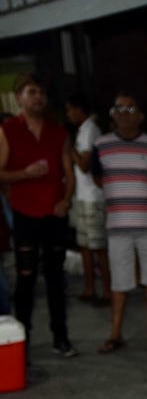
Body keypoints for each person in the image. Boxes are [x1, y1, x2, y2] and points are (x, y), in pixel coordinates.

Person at [0, 73, 77, 356]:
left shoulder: (58, 132)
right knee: (26, 278)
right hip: (24, 213)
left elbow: (69, 173)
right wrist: (25, 173)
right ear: (19, 98)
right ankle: (22, 342)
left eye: (41, 92)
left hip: (54, 214)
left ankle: (61, 337)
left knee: (56, 278)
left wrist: (66, 200)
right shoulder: (8, 130)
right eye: (31, 92)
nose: (38, 98)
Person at [91, 93, 147, 352]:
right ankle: (115, 333)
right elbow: (98, 179)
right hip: (117, 227)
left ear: (141, 116)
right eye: (119, 108)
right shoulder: (101, 145)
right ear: (112, 114)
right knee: (119, 281)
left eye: (130, 108)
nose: (124, 113)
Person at [65, 93, 111, 305]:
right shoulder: (83, 130)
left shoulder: (90, 130)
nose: (68, 115)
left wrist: (69, 148)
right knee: (85, 245)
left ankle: (107, 291)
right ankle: (89, 288)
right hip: (83, 196)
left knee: (98, 247)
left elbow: (84, 165)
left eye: (69, 110)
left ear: (79, 109)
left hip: (93, 197)